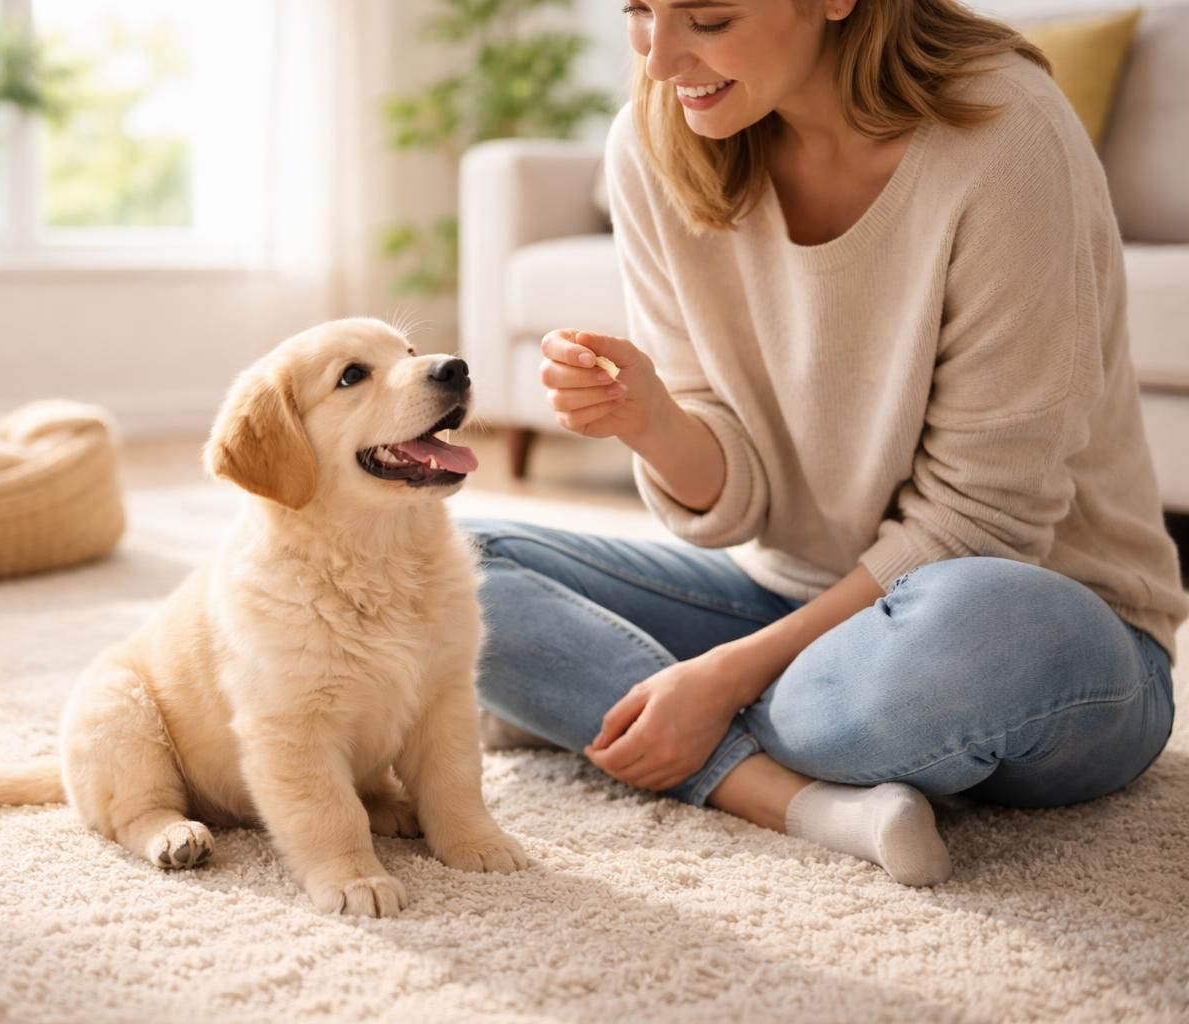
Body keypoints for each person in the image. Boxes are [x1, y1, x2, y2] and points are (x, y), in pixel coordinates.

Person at [463, 0, 1187, 886]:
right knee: (443, 568)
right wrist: (652, 423)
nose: (659, 62)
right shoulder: (656, 140)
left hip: (1029, 622)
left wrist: (722, 679)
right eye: (640, 11)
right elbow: (741, 497)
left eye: (708, 19)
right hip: (786, 603)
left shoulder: (1006, 133)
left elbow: (985, 523)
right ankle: (789, 795)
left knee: (967, 636)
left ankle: (598, 695)